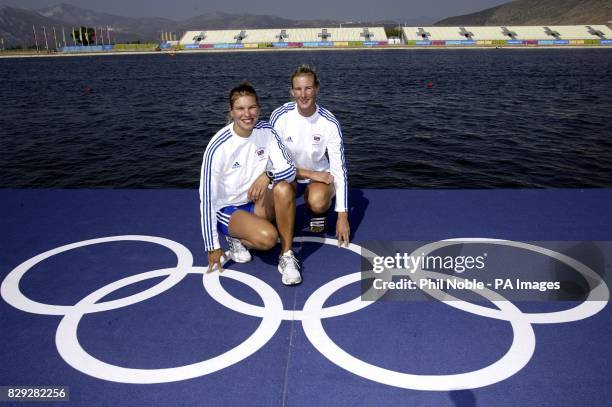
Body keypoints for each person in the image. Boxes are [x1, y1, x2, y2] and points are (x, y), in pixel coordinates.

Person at [199, 82, 301, 285]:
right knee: (268, 239)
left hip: (255, 202)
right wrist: (212, 245)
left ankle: (287, 256)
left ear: (259, 109)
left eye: (252, 107)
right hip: (228, 208)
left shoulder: (266, 130)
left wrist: (268, 176)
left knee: (284, 188)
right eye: (240, 108)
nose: (247, 114)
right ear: (231, 111)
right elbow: (207, 198)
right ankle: (234, 236)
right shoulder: (218, 146)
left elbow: (290, 169)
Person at [270, 64, 350, 247]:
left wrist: (342, 216)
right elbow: (273, 163)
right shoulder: (279, 116)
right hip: (289, 176)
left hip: (319, 178)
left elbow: (339, 170)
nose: (303, 94)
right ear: (292, 92)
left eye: (308, 88)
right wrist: (308, 173)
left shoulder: (329, 123)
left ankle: (316, 213)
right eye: (298, 89)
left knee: (318, 201)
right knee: (267, 209)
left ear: (317, 89)